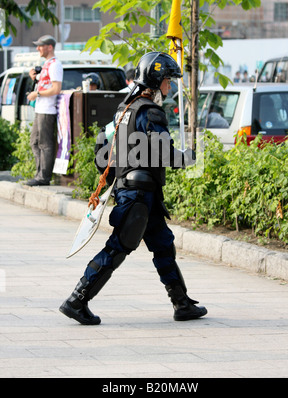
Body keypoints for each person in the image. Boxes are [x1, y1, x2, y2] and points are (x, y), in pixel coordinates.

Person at [59, 51, 208, 325]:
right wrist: (189, 157)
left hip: (138, 194)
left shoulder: (123, 110)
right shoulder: (150, 111)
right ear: (156, 79)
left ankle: (182, 304)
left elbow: (100, 157)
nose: (170, 86)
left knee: (163, 246)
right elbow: (163, 154)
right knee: (118, 247)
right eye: (167, 81)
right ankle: (77, 300)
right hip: (138, 196)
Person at [26, 35, 63, 186]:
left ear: (50, 47)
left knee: (45, 144)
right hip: (40, 108)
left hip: (47, 110)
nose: (38, 48)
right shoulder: (47, 64)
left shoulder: (55, 64)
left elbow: (56, 88)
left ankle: (44, 177)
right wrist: (34, 78)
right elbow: (45, 84)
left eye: (41, 45)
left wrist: (37, 94)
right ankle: (39, 174)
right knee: (34, 142)